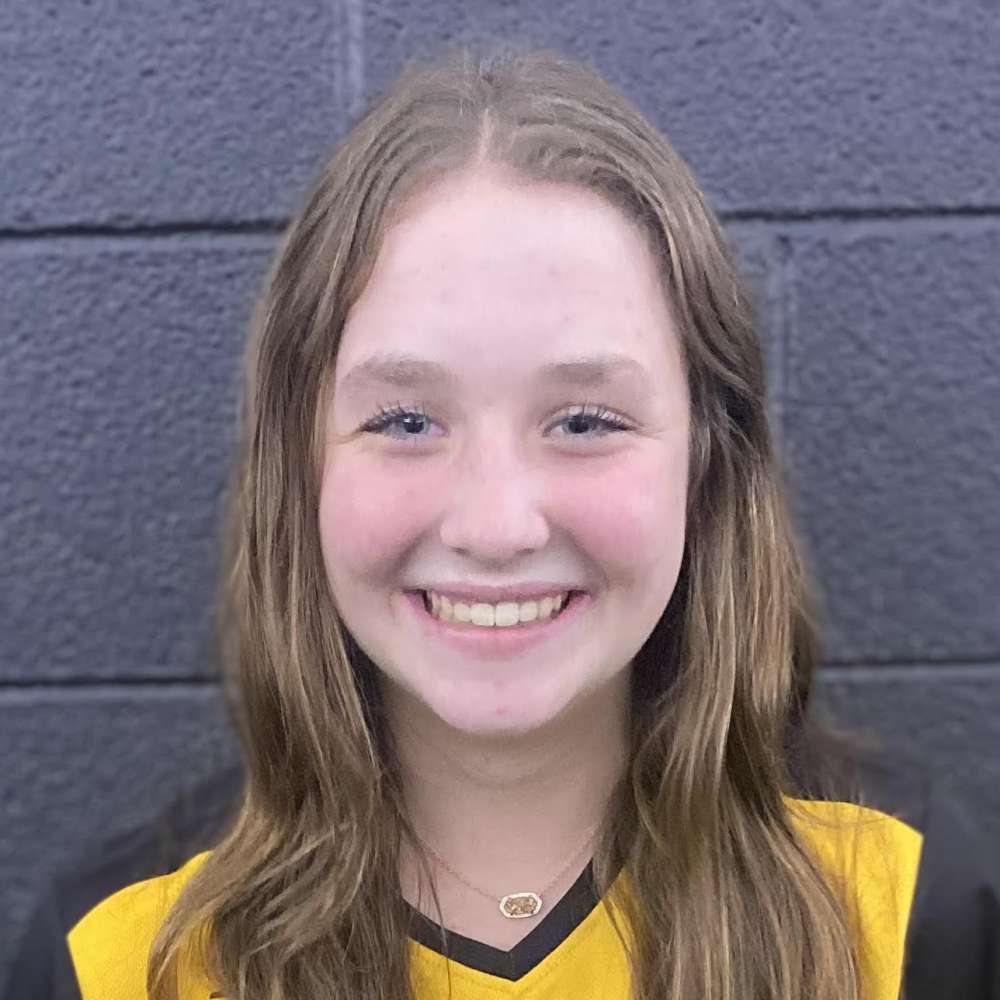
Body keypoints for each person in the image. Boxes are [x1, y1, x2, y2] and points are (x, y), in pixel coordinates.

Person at [50, 44, 999, 1000]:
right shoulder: (126, 957)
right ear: (299, 467)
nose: (497, 526)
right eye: (406, 421)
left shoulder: (900, 906)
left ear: (708, 461)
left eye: (585, 421)